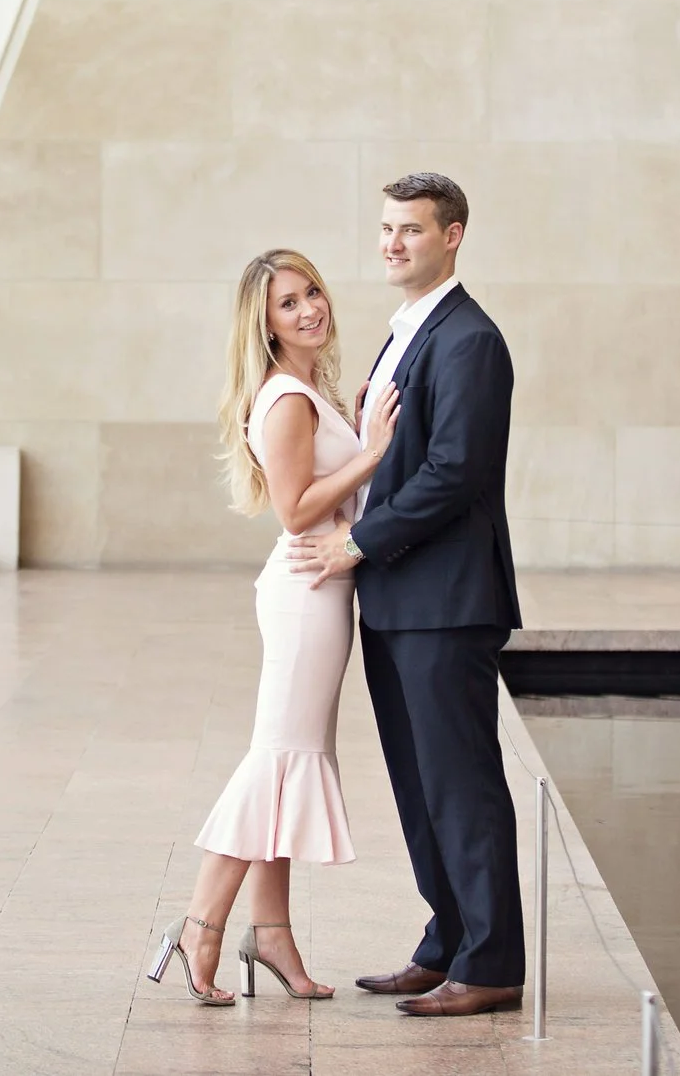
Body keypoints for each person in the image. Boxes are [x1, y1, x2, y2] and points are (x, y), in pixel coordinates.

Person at [289, 172, 525, 1017]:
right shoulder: (405, 333)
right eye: (386, 228)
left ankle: (491, 962)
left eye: (411, 230)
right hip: (397, 599)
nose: (392, 242)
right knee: (420, 785)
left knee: (461, 783)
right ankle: (448, 941)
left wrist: (354, 542)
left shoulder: (470, 341)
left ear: (453, 235)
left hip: (446, 601)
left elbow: (454, 472)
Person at [146, 249, 398, 1005]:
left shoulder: (304, 392)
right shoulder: (286, 397)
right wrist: (375, 449)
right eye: (287, 303)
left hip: (318, 589)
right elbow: (295, 508)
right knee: (275, 760)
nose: (309, 308)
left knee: (289, 761)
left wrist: (352, 429)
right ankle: (200, 923)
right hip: (304, 593)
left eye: (312, 291)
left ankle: (273, 931)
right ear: (265, 324)